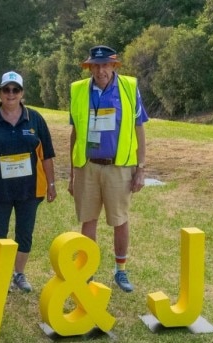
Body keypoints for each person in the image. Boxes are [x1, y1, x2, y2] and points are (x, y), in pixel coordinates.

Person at [68, 45, 148, 293]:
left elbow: (139, 129)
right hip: (88, 167)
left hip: (118, 167)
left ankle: (120, 270)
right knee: (88, 221)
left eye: (105, 65)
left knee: (120, 220)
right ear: (89, 67)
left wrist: (141, 168)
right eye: (96, 65)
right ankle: (86, 271)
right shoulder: (78, 90)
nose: (101, 70)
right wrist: (72, 172)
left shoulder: (129, 88)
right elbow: (74, 133)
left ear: (113, 66)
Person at [0, 71, 57, 292]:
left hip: (30, 189)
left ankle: (19, 274)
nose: (11, 94)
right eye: (6, 90)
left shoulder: (35, 119)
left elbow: (46, 154)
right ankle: (1, 276)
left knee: (24, 233)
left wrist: (51, 184)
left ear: (22, 93)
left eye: (15, 90)